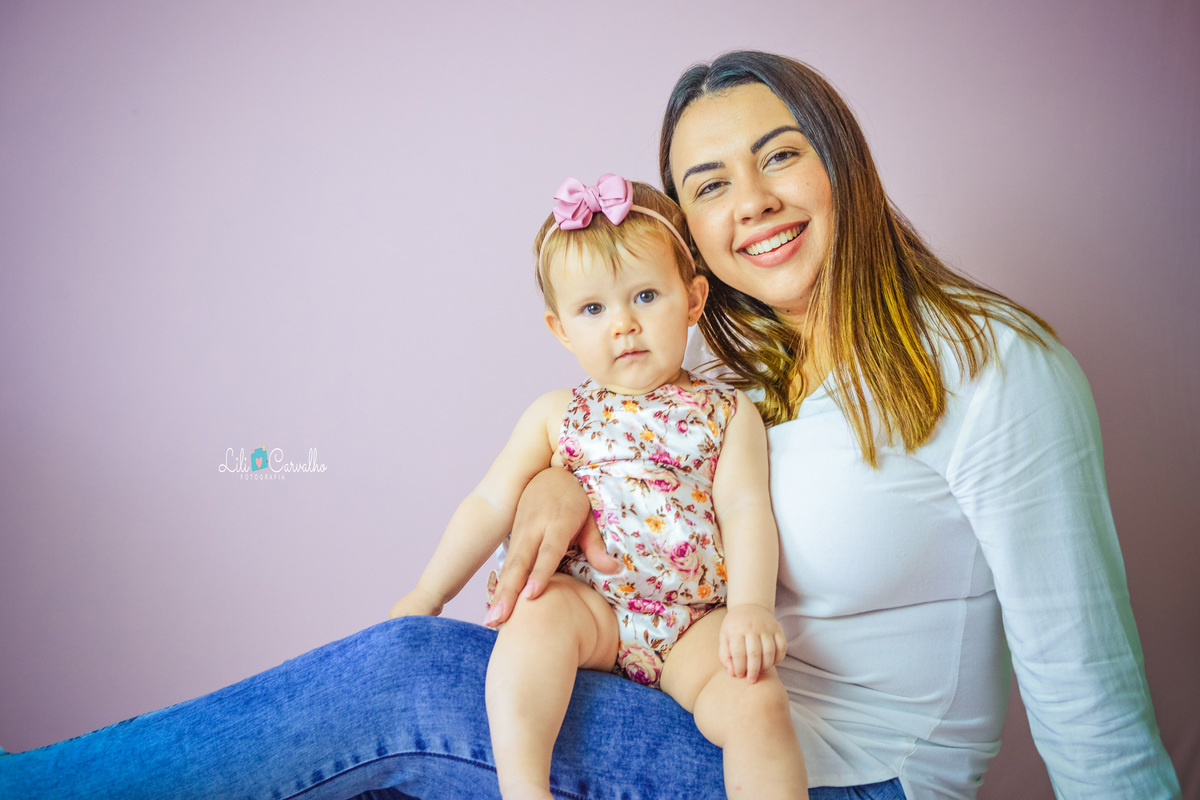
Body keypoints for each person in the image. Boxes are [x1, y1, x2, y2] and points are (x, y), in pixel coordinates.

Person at [0, 51, 1178, 800]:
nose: (749, 200)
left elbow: (1087, 689)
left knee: (402, 676)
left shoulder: (988, 364)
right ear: (692, 244)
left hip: (842, 779)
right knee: (426, 676)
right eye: (707, 183)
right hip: (685, 710)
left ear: (844, 165)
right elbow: (655, 506)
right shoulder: (759, 374)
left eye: (779, 154)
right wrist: (555, 507)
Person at [389, 173, 807, 800]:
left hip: (690, 621)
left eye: (645, 295)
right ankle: (524, 789)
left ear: (692, 300)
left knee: (758, 702)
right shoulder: (556, 412)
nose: (623, 325)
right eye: (593, 309)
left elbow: (746, 511)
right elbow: (490, 502)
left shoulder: (728, 413)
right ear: (561, 329)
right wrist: (428, 591)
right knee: (534, 618)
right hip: (591, 607)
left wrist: (750, 608)